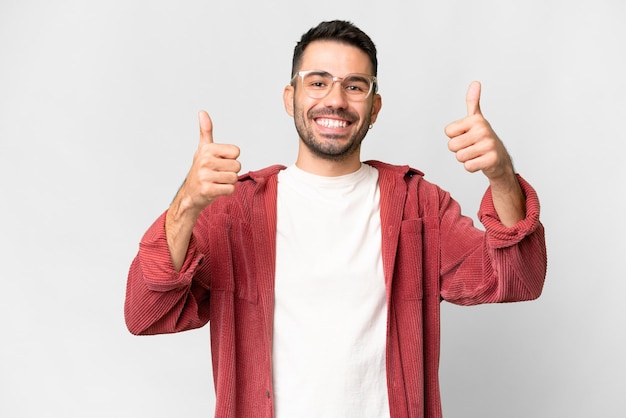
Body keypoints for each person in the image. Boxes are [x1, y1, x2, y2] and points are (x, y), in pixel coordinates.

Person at [125, 20, 547, 418]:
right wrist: (186, 205)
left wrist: (501, 176)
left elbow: (515, 278)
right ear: (291, 97)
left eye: (355, 85)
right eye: (318, 81)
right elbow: (146, 313)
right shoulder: (235, 211)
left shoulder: (418, 205)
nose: (336, 99)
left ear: (375, 106)